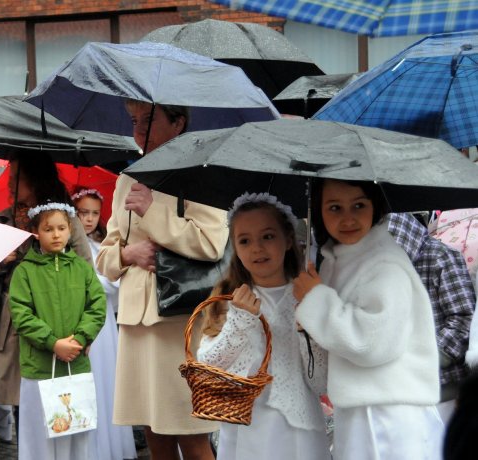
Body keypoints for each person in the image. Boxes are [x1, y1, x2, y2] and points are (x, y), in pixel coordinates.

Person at [97, 101, 228, 460]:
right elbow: (106, 256)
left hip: (179, 323)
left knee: (192, 432)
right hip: (136, 325)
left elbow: (211, 243)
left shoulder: (200, 174)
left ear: (178, 122)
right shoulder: (127, 179)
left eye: (149, 119)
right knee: (153, 433)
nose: (139, 129)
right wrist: (127, 255)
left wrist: (151, 212)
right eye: (134, 120)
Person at [293, 179, 443, 460]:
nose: (347, 218)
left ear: (375, 207)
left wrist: (316, 301)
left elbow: (371, 342)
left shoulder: (385, 263)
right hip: (362, 408)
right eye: (334, 207)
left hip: (387, 410)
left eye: (359, 205)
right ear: (319, 211)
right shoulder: (340, 261)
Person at [196, 192, 328, 459]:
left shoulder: (306, 296)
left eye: (268, 236)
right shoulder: (230, 298)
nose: (257, 248)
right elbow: (207, 368)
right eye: (245, 241)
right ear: (234, 246)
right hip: (248, 429)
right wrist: (240, 321)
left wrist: (309, 331)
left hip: (300, 430)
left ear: (288, 239)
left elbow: (321, 382)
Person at [0, 154, 92, 437]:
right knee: (25, 403)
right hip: (17, 325)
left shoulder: (64, 219)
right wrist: (0, 261)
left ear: (34, 179)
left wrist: (85, 334)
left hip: (61, 323)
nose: (9, 183)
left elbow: (87, 272)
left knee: (60, 403)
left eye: (15, 177)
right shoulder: (2, 221)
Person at [9, 201, 106, 460]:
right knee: (41, 435)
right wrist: (53, 342)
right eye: (48, 228)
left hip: (76, 365)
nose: (56, 234)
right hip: (39, 368)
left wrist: (81, 337)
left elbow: (97, 305)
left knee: (76, 431)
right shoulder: (25, 272)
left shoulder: (82, 268)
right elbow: (21, 314)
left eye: (62, 228)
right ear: (36, 232)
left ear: (69, 230)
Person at [386, 212, 475, 423]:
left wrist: (422, 358)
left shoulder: (441, 256)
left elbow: (463, 319)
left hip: (442, 388)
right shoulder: (374, 263)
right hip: (395, 389)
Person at [72, 187, 137, 460]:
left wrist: (88, 280)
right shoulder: (66, 247)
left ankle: (105, 447)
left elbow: (114, 285)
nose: (88, 219)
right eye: (83, 213)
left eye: (94, 214)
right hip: (75, 321)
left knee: (104, 381)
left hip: (102, 326)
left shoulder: (102, 248)